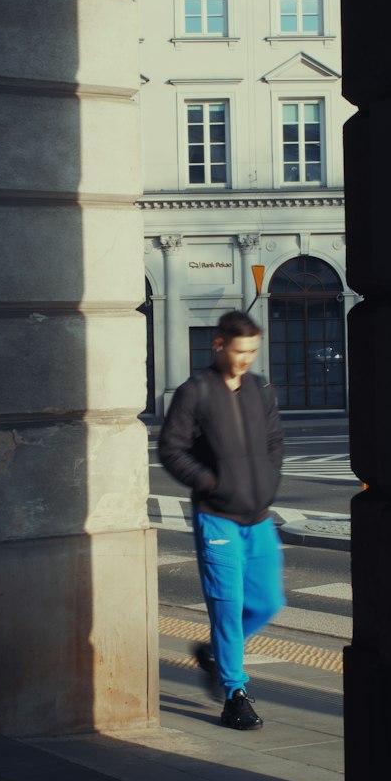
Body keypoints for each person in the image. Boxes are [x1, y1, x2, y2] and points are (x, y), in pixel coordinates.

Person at [158, 310, 285, 729]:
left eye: (253, 350)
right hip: (217, 517)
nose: (247, 359)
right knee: (227, 608)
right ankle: (235, 693)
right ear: (219, 346)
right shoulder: (195, 392)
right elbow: (171, 449)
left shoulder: (260, 390)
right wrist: (210, 481)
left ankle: (212, 652)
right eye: (240, 351)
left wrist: (268, 482)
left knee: (268, 601)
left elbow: (273, 441)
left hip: (259, 515)